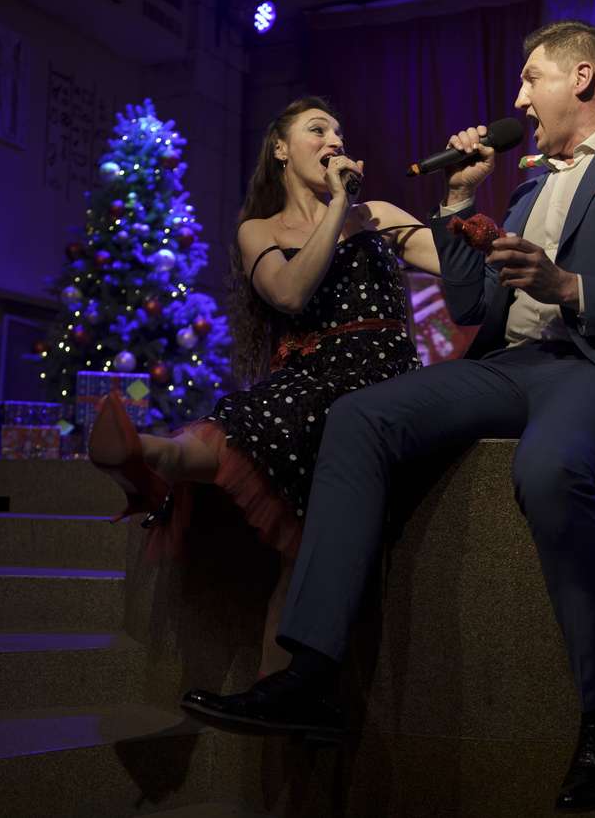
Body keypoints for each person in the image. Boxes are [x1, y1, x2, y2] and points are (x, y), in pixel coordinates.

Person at [179, 21, 595, 812]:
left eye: (530, 79)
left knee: (547, 466)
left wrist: (572, 287)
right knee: (358, 417)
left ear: (579, 77)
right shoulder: (530, 184)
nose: (516, 99)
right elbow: (471, 304)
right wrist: (461, 199)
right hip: (512, 366)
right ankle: (312, 673)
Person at [87, 96, 440, 678]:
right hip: (309, 382)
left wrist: (459, 200)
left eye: (339, 131)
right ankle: (152, 451)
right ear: (280, 147)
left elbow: (455, 264)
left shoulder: (376, 212)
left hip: (381, 376)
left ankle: (154, 457)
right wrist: (337, 209)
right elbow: (290, 293)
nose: (334, 140)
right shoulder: (261, 230)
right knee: (287, 518)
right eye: (317, 129)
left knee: (297, 543)